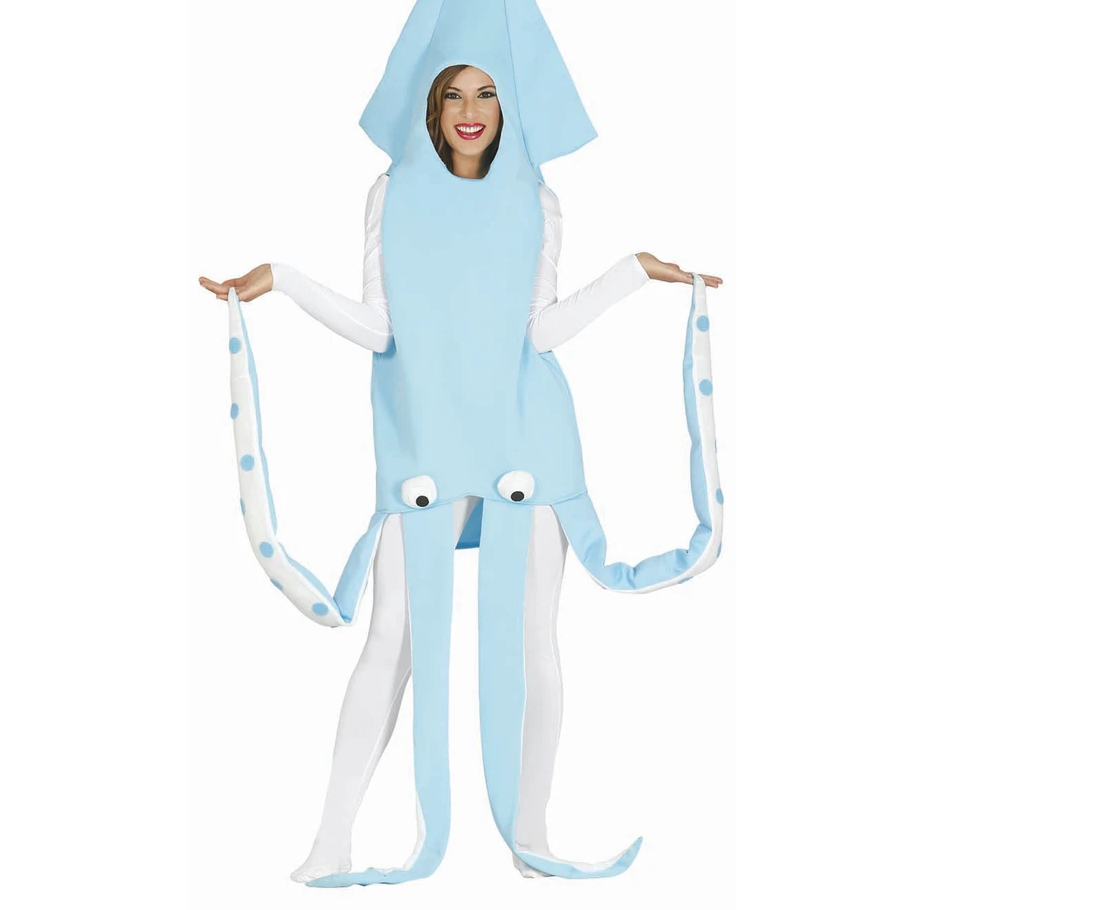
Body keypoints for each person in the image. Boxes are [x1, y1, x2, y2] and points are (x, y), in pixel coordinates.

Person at [199, 65, 722, 882]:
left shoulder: (538, 198)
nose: (470, 111)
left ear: (509, 108)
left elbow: (540, 331)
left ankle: (532, 840)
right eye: (454, 94)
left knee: (534, 642)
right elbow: (380, 329)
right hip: (426, 445)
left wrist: (633, 270)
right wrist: (283, 280)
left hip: (526, 441)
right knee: (391, 638)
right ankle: (331, 841)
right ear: (432, 108)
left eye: (487, 94)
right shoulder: (390, 194)